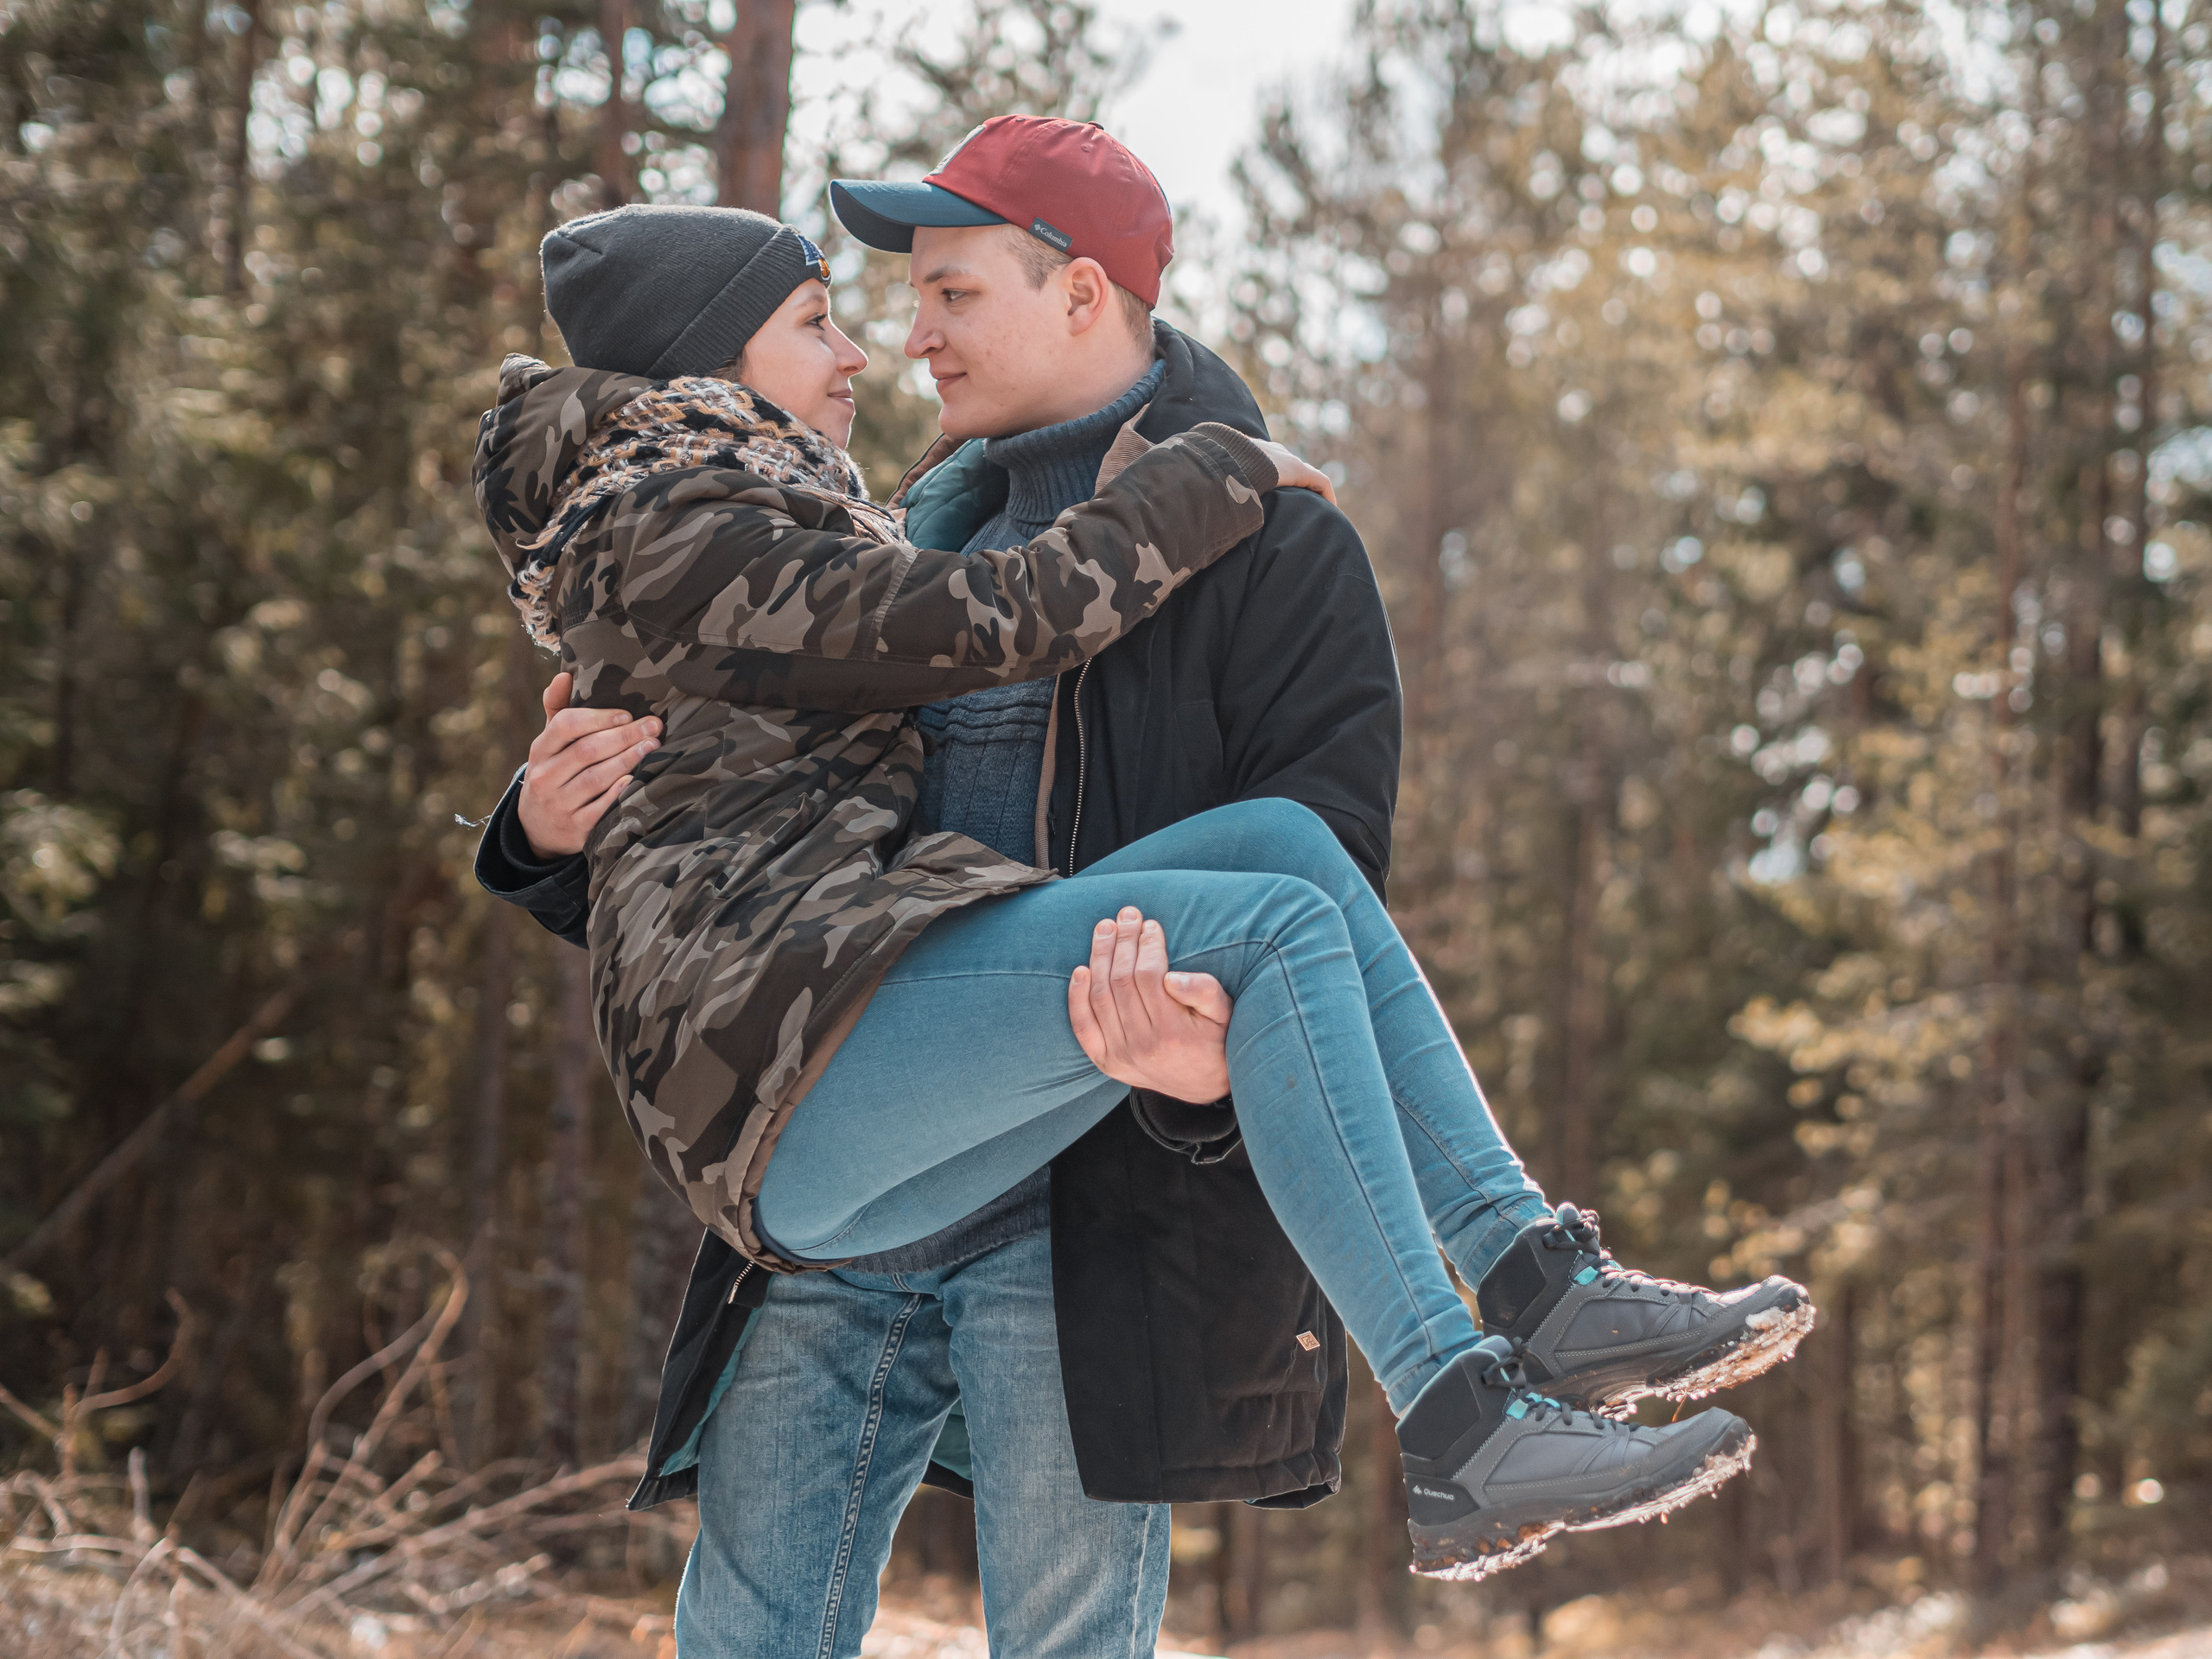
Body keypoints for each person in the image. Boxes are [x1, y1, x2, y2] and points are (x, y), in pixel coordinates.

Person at [476, 118, 1815, 1651]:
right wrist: (540, 838)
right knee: (755, 1631)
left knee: (1290, 872)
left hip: (1078, 1206)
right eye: (855, 311)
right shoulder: (878, 526)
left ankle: (1525, 1288)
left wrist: (1198, 1080)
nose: (898, 342)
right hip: (846, 1112)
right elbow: (742, 839)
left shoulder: (1270, 548)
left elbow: (1338, 912)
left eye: (949, 295)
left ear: (1083, 294)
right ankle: (1460, 1410)